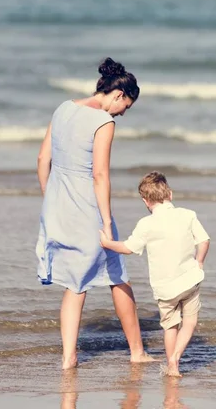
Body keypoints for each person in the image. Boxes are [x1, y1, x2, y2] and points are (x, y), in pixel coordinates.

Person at [36, 57, 153, 369]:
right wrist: (105, 221)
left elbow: (42, 158)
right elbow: (100, 175)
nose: (123, 113)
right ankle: (137, 352)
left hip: (58, 208)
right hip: (89, 211)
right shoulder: (104, 122)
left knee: (74, 284)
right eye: (126, 106)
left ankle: (68, 358)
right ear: (117, 95)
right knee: (118, 276)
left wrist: (51, 199)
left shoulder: (63, 108)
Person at [100, 171, 210, 377]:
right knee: (190, 322)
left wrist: (107, 244)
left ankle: (172, 365)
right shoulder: (188, 214)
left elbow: (128, 247)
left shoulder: (146, 224)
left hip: (164, 288)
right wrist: (200, 261)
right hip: (190, 279)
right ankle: (176, 356)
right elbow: (204, 241)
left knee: (170, 326)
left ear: (146, 201)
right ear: (170, 193)